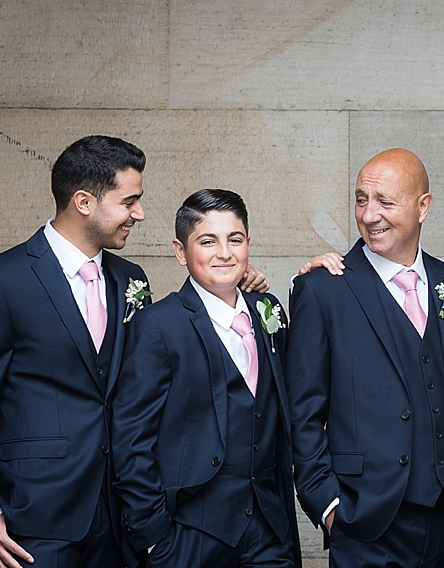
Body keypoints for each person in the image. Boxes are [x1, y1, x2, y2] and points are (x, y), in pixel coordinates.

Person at [0, 135, 150, 568]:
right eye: (129, 201)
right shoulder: (0, 281)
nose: (139, 214)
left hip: (120, 515)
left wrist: (233, 288)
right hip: (33, 517)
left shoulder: (132, 279)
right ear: (83, 202)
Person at [286, 148, 444, 567]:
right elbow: (301, 412)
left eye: (385, 202)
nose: (370, 215)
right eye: (361, 199)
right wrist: (328, 507)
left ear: (423, 206)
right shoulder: (323, 290)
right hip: (363, 522)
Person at [111, 189, 301, 567]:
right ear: (181, 252)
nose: (225, 253)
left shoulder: (268, 310)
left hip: (269, 529)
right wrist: (155, 539)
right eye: (207, 241)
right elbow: (132, 436)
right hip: (189, 535)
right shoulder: (160, 324)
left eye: (236, 239)